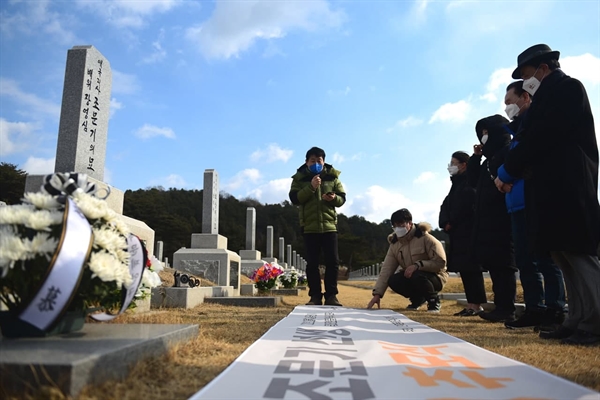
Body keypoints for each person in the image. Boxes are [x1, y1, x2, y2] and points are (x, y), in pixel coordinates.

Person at [495, 44, 600, 345]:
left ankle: (595, 320)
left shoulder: (568, 88)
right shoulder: (544, 98)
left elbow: (542, 136)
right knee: (563, 254)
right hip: (550, 187)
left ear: (543, 68)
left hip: (570, 185)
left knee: (579, 254)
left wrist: (510, 166)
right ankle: (578, 317)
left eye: (527, 75)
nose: (527, 82)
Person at [497, 81, 567, 332]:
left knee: (545, 259)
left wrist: (503, 175)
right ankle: (534, 308)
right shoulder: (518, 132)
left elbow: (525, 160)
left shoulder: (534, 127)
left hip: (533, 201)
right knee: (525, 261)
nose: (507, 108)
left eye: (509, 102)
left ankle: (555, 308)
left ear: (525, 97)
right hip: (516, 205)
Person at [468, 114, 518, 323]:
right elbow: (472, 180)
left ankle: (507, 308)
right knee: (496, 265)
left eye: (487, 133)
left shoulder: (508, 151)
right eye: (482, 134)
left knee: (504, 265)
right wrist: (476, 157)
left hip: (503, 218)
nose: (483, 137)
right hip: (487, 220)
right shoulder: (488, 160)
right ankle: (501, 306)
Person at [289, 146, 346, 306]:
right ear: (306, 162)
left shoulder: (332, 177)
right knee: (312, 264)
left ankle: (331, 296)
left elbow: (342, 199)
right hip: (309, 227)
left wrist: (333, 198)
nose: (316, 163)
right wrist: (311, 187)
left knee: (333, 262)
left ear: (324, 161)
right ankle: (315, 296)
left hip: (329, 227)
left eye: (319, 161)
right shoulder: (299, 178)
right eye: (312, 161)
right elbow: (295, 198)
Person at [367, 208, 448, 312]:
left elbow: (440, 263)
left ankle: (433, 301)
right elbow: (386, 269)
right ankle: (417, 299)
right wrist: (377, 294)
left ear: (410, 223)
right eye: (394, 225)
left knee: (417, 274)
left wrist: (418, 265)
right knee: (393, 280)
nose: (398, 228)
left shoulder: (426, 239)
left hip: (435, 277)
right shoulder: (395, 244)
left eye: (400, 224)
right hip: (413, 277)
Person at [439, 151, 486, 316]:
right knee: (465, 270)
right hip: (457, 233)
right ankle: (470, 304)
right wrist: (445, 221)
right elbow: (446, 205)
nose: (450, 166)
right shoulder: (455, 184)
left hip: (469, 231)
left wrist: (454, 219)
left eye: (453, 163)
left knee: (472, 269)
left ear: (463, 164)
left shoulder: (470, 181)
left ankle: (476, 305)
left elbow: (467, 204)